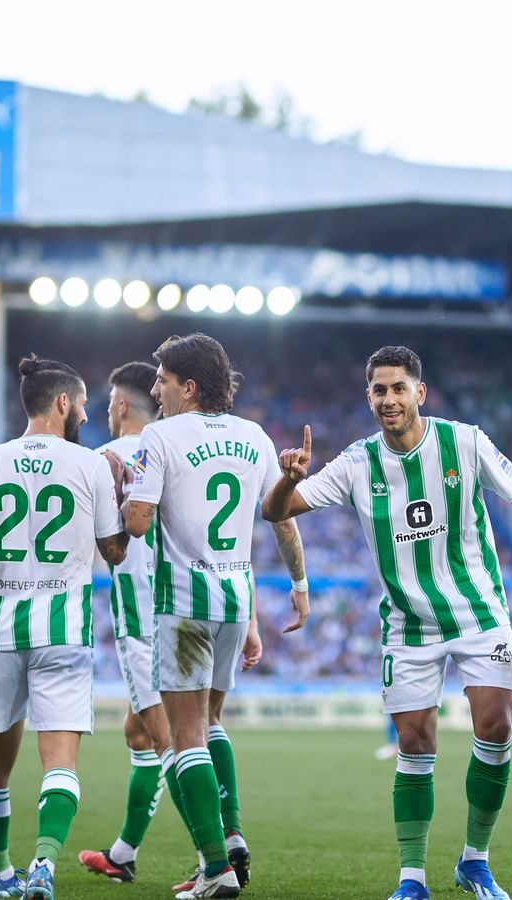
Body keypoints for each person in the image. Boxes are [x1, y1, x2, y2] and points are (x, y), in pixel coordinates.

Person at [261, 345, 512, 900]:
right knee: (414, 742)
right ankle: (412, 878)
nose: (389, 399)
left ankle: (475, 861)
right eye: (379, 390)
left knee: (496, 727)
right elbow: (276, 512)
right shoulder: (357, 463)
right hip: (409, 624)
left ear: (420, 392)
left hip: (478, 612)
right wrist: (289, 480)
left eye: (398, 388)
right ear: (369, 398)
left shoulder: (465, 441)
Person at [0, 355, 129, 900]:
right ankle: (44, 866)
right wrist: (125, 500)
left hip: (0, 631)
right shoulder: (91, 466)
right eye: (82, 404)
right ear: (62, 402)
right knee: (60, 762)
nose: (86, 414)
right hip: (63, 631)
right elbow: (114, 551)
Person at [120, 334, 310, 899]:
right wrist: (299, 584)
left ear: (189, 387)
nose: (155, 390)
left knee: (185, 740)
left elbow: (137, 522)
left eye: (162, 380)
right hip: (234, 603)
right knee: (212, 722)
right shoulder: (254, 437)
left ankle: (215, 868)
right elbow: (280, 515)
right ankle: (231, 834)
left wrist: (122, 489)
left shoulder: (159, 436)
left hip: (183, 605)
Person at [78, 361, 193, 884]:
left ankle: (217, 857)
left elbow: (102, 543)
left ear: (121, 407)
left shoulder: (105, 460)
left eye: (107, 405)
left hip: (143, 623)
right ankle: (123, 854)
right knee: (138, 734)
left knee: (170, 743)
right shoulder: (178, 451)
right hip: (188, 611)